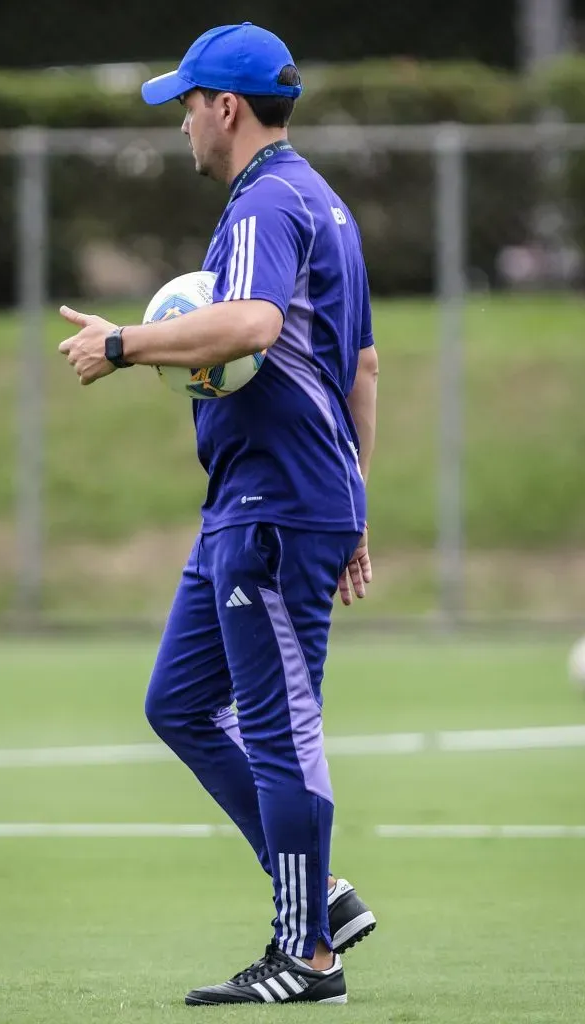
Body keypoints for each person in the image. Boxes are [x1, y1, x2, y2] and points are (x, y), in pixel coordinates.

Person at [58, 22, 379, 1007]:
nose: (185, 123)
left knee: (279, 730)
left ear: (227, 109)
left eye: (189, 104)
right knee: (181, 703)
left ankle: (306, 953)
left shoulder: (264, 204)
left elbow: (251, 325)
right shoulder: (322, 204)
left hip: (273, 507)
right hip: (267, 500)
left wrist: (125, 344)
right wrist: (356, 500)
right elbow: (358, 363)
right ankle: (319, 893)